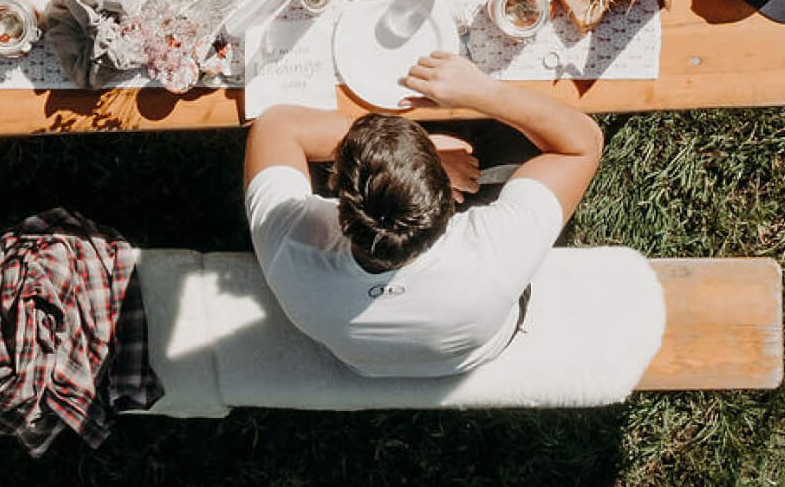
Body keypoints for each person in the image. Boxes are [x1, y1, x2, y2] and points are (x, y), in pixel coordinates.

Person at [243, 51, 604, 377]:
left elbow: (276, 125)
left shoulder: (288, 244)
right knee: (514, 135)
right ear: (447, 202)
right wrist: (480, 92)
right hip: (478, 342)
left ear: (338, 190)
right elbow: (582, 145)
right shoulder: (497, 250)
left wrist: (411, 155)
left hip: (366, 359)